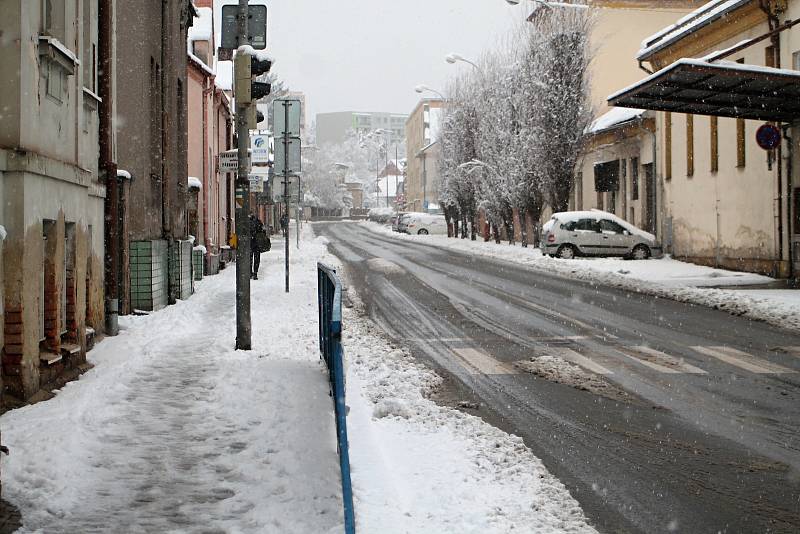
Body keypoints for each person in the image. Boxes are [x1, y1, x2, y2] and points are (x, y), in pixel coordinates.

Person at [249, 214, 270, 280]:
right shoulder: (258, 222)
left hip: (249, 243)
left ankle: (250, 272)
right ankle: (255, 273)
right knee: (256, 259)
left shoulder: (247, 222)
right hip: (257, 243)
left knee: (250, 259)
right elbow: (263, 232)